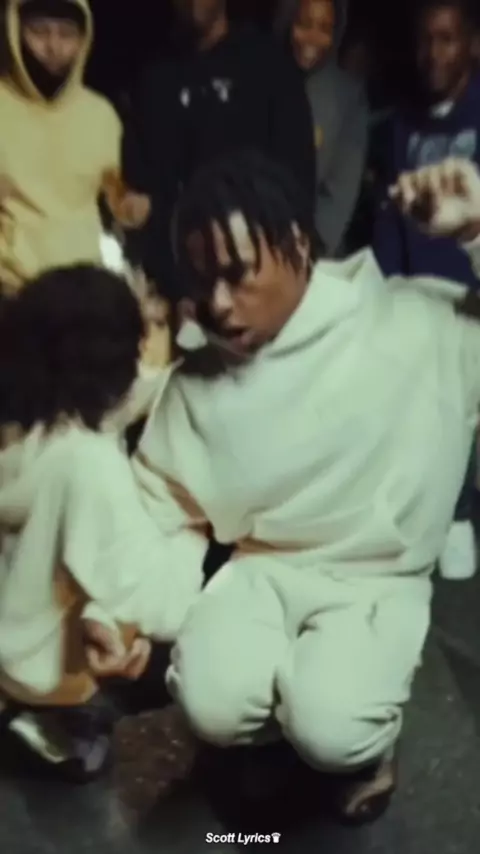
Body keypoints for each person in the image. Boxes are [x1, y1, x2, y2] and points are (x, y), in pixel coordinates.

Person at [107, 149, 480, 824]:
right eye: (203, 280)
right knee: (211, 703)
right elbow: (159, 508)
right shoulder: (196, 384)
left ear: (299, 244)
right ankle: (278, 732)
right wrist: (121, 617)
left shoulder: (414, 322)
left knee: (333, 727)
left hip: (376, 579)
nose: (219, 303)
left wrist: (478, 234)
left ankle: (361, 751)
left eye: (237, 274)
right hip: (264, 570)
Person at [0, 266, 203, 779]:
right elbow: (156, 603)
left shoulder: (29, 423)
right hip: (37, 668)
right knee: (187, 625)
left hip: (9, 622)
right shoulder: (89, 464)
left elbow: (115, 406)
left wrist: (181, 378)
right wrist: (192, 532)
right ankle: (64, 721)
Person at [372, 0, 480, 580]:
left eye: (447, 39)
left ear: (472, 45)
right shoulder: (401, 124)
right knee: (416, 412)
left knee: (461, 409)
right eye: (424, 40)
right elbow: (391, 216)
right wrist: (388, 284)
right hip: (416, 290)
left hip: (473, 289)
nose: (432, 53)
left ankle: (459, 515)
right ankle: (428, 514)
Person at [123, 0, 316, 300]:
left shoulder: (268, 65)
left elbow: (297, 183)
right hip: (175, 285)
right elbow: (145, 188)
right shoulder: (153, 74)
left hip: (253, 279)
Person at [0, 0, 149, 295]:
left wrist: (130, 207)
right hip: (12, 288)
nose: (53, 47)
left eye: (66, 34)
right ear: (15, 30)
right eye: (39, 32)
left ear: (83, 39)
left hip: (85, 287)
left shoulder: (100, 115)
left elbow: (115, 197)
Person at [274, 0, 368, 256]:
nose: (313, 38)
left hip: (317, 252)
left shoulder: (348, 97)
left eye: (325, 29)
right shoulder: (262, 80)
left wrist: (308, 253)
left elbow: (339, 194)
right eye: (304, 24)